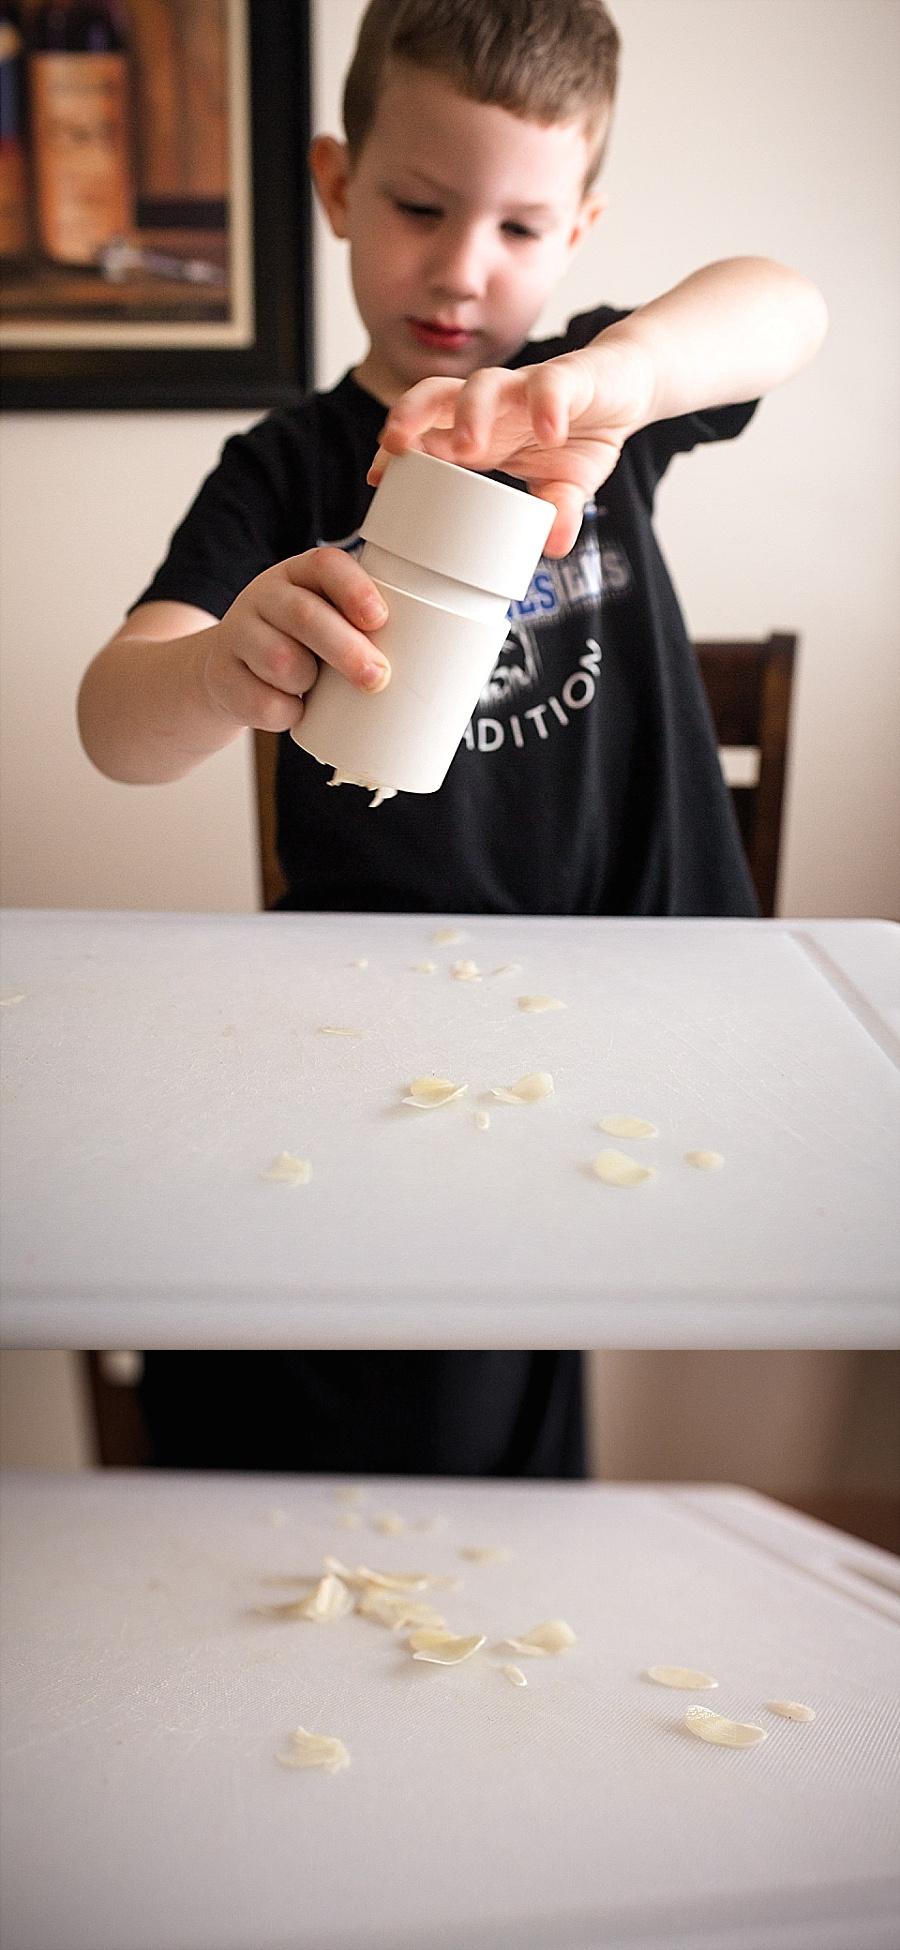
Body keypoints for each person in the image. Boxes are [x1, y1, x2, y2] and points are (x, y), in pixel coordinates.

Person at [77, 0, 827, 1478]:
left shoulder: (588, 411)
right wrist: (227, 666)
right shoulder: (286, 466)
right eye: (421, 206)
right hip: (392, 1043)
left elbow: (783, 305)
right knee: (410, 1370)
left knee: (524, 1342)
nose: (465, 267)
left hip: (638, 1010)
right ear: (339, 185)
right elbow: (117, 718)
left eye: (523, 226)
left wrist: (614, 379)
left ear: (580, 229)